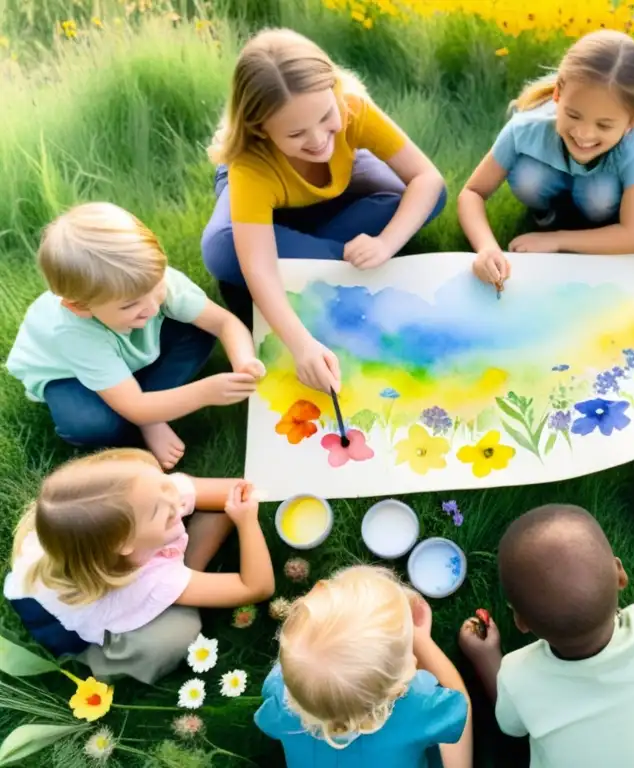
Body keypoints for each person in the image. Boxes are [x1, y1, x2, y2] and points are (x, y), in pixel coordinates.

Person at [201, 28, 447, 393]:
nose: (317, 140)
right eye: (296, 133)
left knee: (426, 200)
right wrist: (302, 346)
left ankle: (296, 254)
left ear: (334, 91)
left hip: (337, 189)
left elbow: (428, 178)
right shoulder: (250, 164)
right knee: (226, 250)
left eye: (325, 118)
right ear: (262, 130)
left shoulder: (352, 107)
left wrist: (385, 245)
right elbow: (259, 267)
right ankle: (314, 260)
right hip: (272, 196)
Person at [458, 504, 634, 768]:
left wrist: (485, 656)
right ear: (620, 575)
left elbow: (511, 726)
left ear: (521, 621)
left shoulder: (518, 675)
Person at [5, 202, 262, 470]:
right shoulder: (74, 334)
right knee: (93, 425)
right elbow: (135, 406)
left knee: (198, 332)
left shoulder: (148, 283)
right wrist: (205, 392)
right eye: (130, 305)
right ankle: (150, 415)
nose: (151, 307)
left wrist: (245, 362)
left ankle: (151, 400)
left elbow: (224, 323)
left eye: (156, 286)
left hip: (125, 348)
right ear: (79, 307)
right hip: (70, 375)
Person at [3, 448, 274, 684]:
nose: (176, 502)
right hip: (62, 628)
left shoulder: (142, 496)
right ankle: (104, 665)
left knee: (218, 513)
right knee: (178, 632)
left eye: (165, 486)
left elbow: (237, 491)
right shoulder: (143, 579)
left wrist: (228, 500)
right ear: (124, 545)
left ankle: (186, 575)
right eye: (161, 511)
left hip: (65, 578)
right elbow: (257, 587)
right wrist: (246, 521)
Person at [460, 30, 634, 290]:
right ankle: (549, 213)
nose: (584, 134)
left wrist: (556, 240)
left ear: (633, 120)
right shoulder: (526, 127)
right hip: (547, 181)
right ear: (557, 94)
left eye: (604, 125)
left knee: (599, 195)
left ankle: (582, 223)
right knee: (529, 178)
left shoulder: (633, 148)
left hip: (597, 198)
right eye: (574, 115)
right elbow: (472, 192)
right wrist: (486, 247)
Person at [255, 565, 472, 768]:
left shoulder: (279, 687)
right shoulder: (417, 702)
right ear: (396, 688)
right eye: (407, 654)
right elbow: (459, 703)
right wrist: (423, 640)